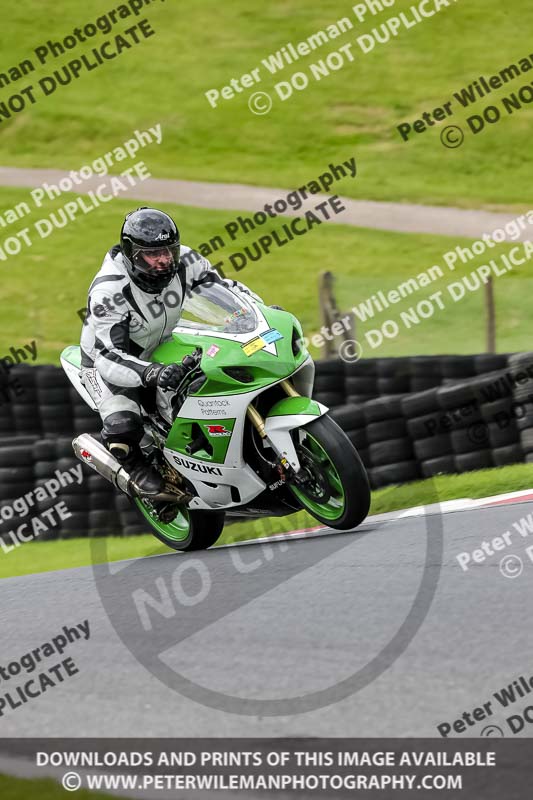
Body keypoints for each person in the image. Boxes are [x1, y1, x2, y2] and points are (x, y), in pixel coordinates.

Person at [80, 206, 260, 498]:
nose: (164, 261)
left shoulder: (186, 261)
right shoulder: (108, 292)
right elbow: (109, 356)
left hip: (165, 341)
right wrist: (151, 372)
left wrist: (258, 313)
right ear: (132, 254)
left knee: (208, 380)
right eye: (154, 254)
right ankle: (134, 466)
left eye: (169, 251)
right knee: (122, 422)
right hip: (108, 359)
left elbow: (226, 289)